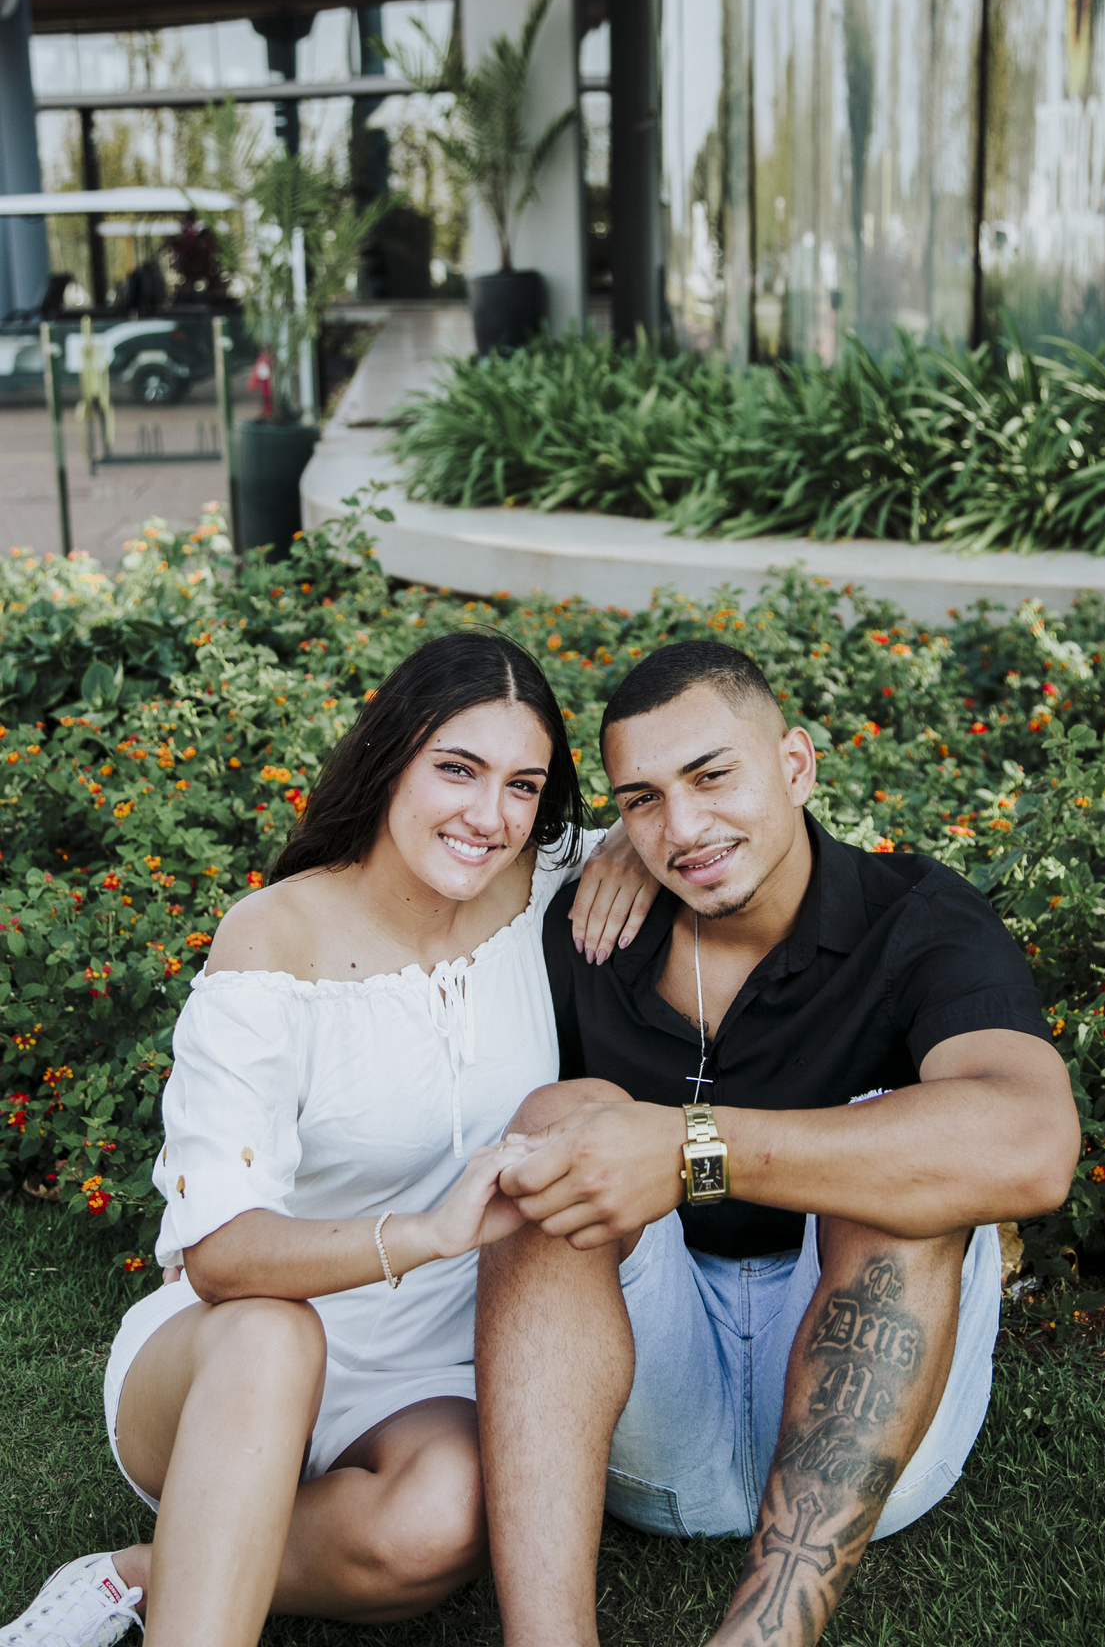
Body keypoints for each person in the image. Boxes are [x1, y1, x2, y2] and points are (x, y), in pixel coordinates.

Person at [1, 632, 655, 1647]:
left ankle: (141, 1573)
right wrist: (428, 1233)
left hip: (424, 1375)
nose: (490, 816)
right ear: (392, 756)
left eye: (523, 786)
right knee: (277, 1334)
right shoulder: (274, 939)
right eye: (457, 769)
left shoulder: (535, 879)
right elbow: (222, 1256)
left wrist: (630, 851)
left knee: (442, 1520)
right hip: (237, 1348)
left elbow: (677, 829)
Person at [475, 639, 1081, 1647]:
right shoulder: (593, 919)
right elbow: (428, 857)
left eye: (714, 776)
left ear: (796, 766)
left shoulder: (914, 919)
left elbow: (1033, 1145)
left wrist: (691, 1148)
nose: (684, 827)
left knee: (908, 1144)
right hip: (652, 1421)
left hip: (875, 1441)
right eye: (644, 799)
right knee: (554, 1126)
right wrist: (621, 844)